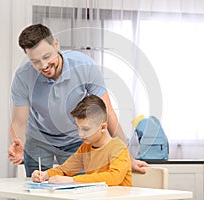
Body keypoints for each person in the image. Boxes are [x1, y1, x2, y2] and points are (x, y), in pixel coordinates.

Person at [8, 23, 148, 177]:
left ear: (56, 44)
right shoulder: (23, 77)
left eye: (47, 56)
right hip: (39, 140)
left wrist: (126, 155)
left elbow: (107, 113)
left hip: (75, 139)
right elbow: (19, 122)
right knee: (37, 188)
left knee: (79, 189)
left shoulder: (84, 66)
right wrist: (19, 143)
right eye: (35, 61)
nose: (44, 65)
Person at [31, 95, 132, 186]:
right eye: (78, 128)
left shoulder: (118, 148)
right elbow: (65, 169)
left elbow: (114, 177)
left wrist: (72, 180)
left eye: (86, 129)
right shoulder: (86, 147)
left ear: (102, 127)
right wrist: (45, 174)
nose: (80, 134)